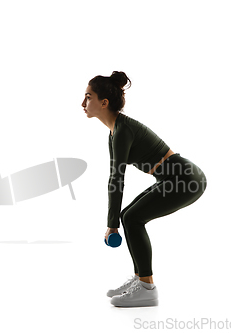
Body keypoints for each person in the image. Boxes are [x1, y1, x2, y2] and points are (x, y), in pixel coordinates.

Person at [81, 71, 207, 307]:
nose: (83, 103)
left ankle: (147, 288)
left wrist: (111, 225)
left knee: (131, 218)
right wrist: (113, 221)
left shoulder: (122, 131)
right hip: (173, 177)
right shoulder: (115, 131)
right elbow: (116, 178)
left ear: (104, 102)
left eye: (88, 97)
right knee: (129, 216)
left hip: (185, 178)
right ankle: (142, 280)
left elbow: (116, 179)